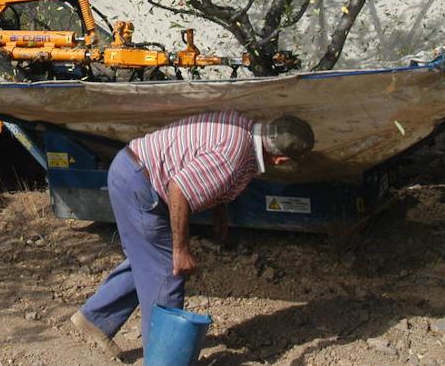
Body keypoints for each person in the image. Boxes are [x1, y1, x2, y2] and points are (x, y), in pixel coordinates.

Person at [69, 111, 315, 359]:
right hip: (139, 183)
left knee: (148, 259)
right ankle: (162, 359)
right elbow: (179, 189)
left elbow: (212, 175)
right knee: (167, 271)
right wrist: (181, 251)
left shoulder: (245, 131)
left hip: (132, 170)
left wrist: (220, 212)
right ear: (281, 159)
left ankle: (95, 319)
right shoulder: (235, 154)